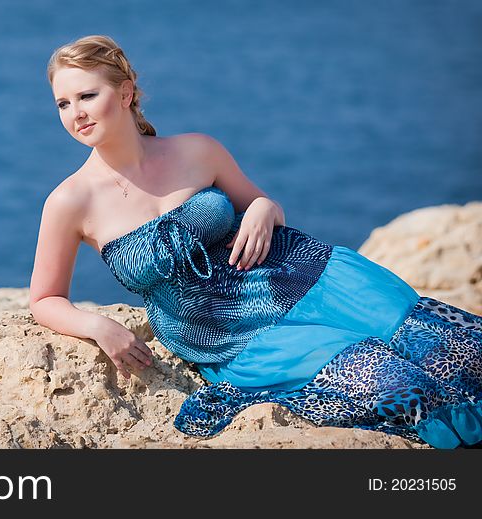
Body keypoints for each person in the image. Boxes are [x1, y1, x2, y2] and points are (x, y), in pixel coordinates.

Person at [28, 34, 482, 449]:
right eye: (62, 104)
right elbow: (45, 298)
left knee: (454, 350)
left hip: (305, 275)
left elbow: (261, 203)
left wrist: (264, 208)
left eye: (87, 95)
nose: (76, 114)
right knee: (396, 385)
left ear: (125, 93)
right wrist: (97, 326)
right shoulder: (69, 201)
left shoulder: (196, 150)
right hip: (229, 334)